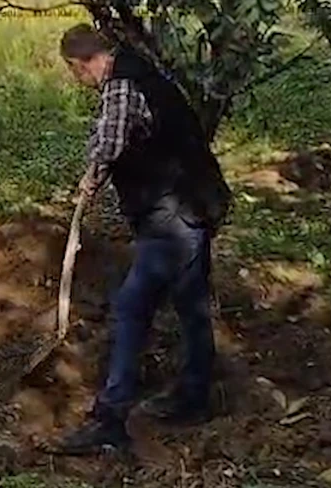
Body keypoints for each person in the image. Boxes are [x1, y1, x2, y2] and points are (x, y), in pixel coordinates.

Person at [54, 24, 232, 454]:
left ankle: (111, 416)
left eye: (74, 72)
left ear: (81, 63)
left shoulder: (121, 86)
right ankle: (193, 397)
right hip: (192, 205)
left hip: (172, 216)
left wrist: (90, 178)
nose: (79, 80)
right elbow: (116, 134)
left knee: (131, 306)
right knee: (189, 306)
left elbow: (110, 142)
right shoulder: (141, 75)